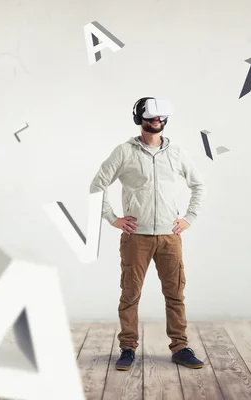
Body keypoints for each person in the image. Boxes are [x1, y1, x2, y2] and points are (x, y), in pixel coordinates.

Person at [89, 97, 207, 371]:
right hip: (136, 238)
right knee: (130, 293)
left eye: (160, 117)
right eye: (151, 117)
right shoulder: (124, 152)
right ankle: (127, 348)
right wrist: (113, 219)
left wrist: (189, 218)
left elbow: (198, 185)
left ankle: (179, 347)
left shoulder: (177, 152)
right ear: (139, 118)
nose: (157, 121)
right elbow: (97, 185)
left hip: (169, 237)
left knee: (175, 293)